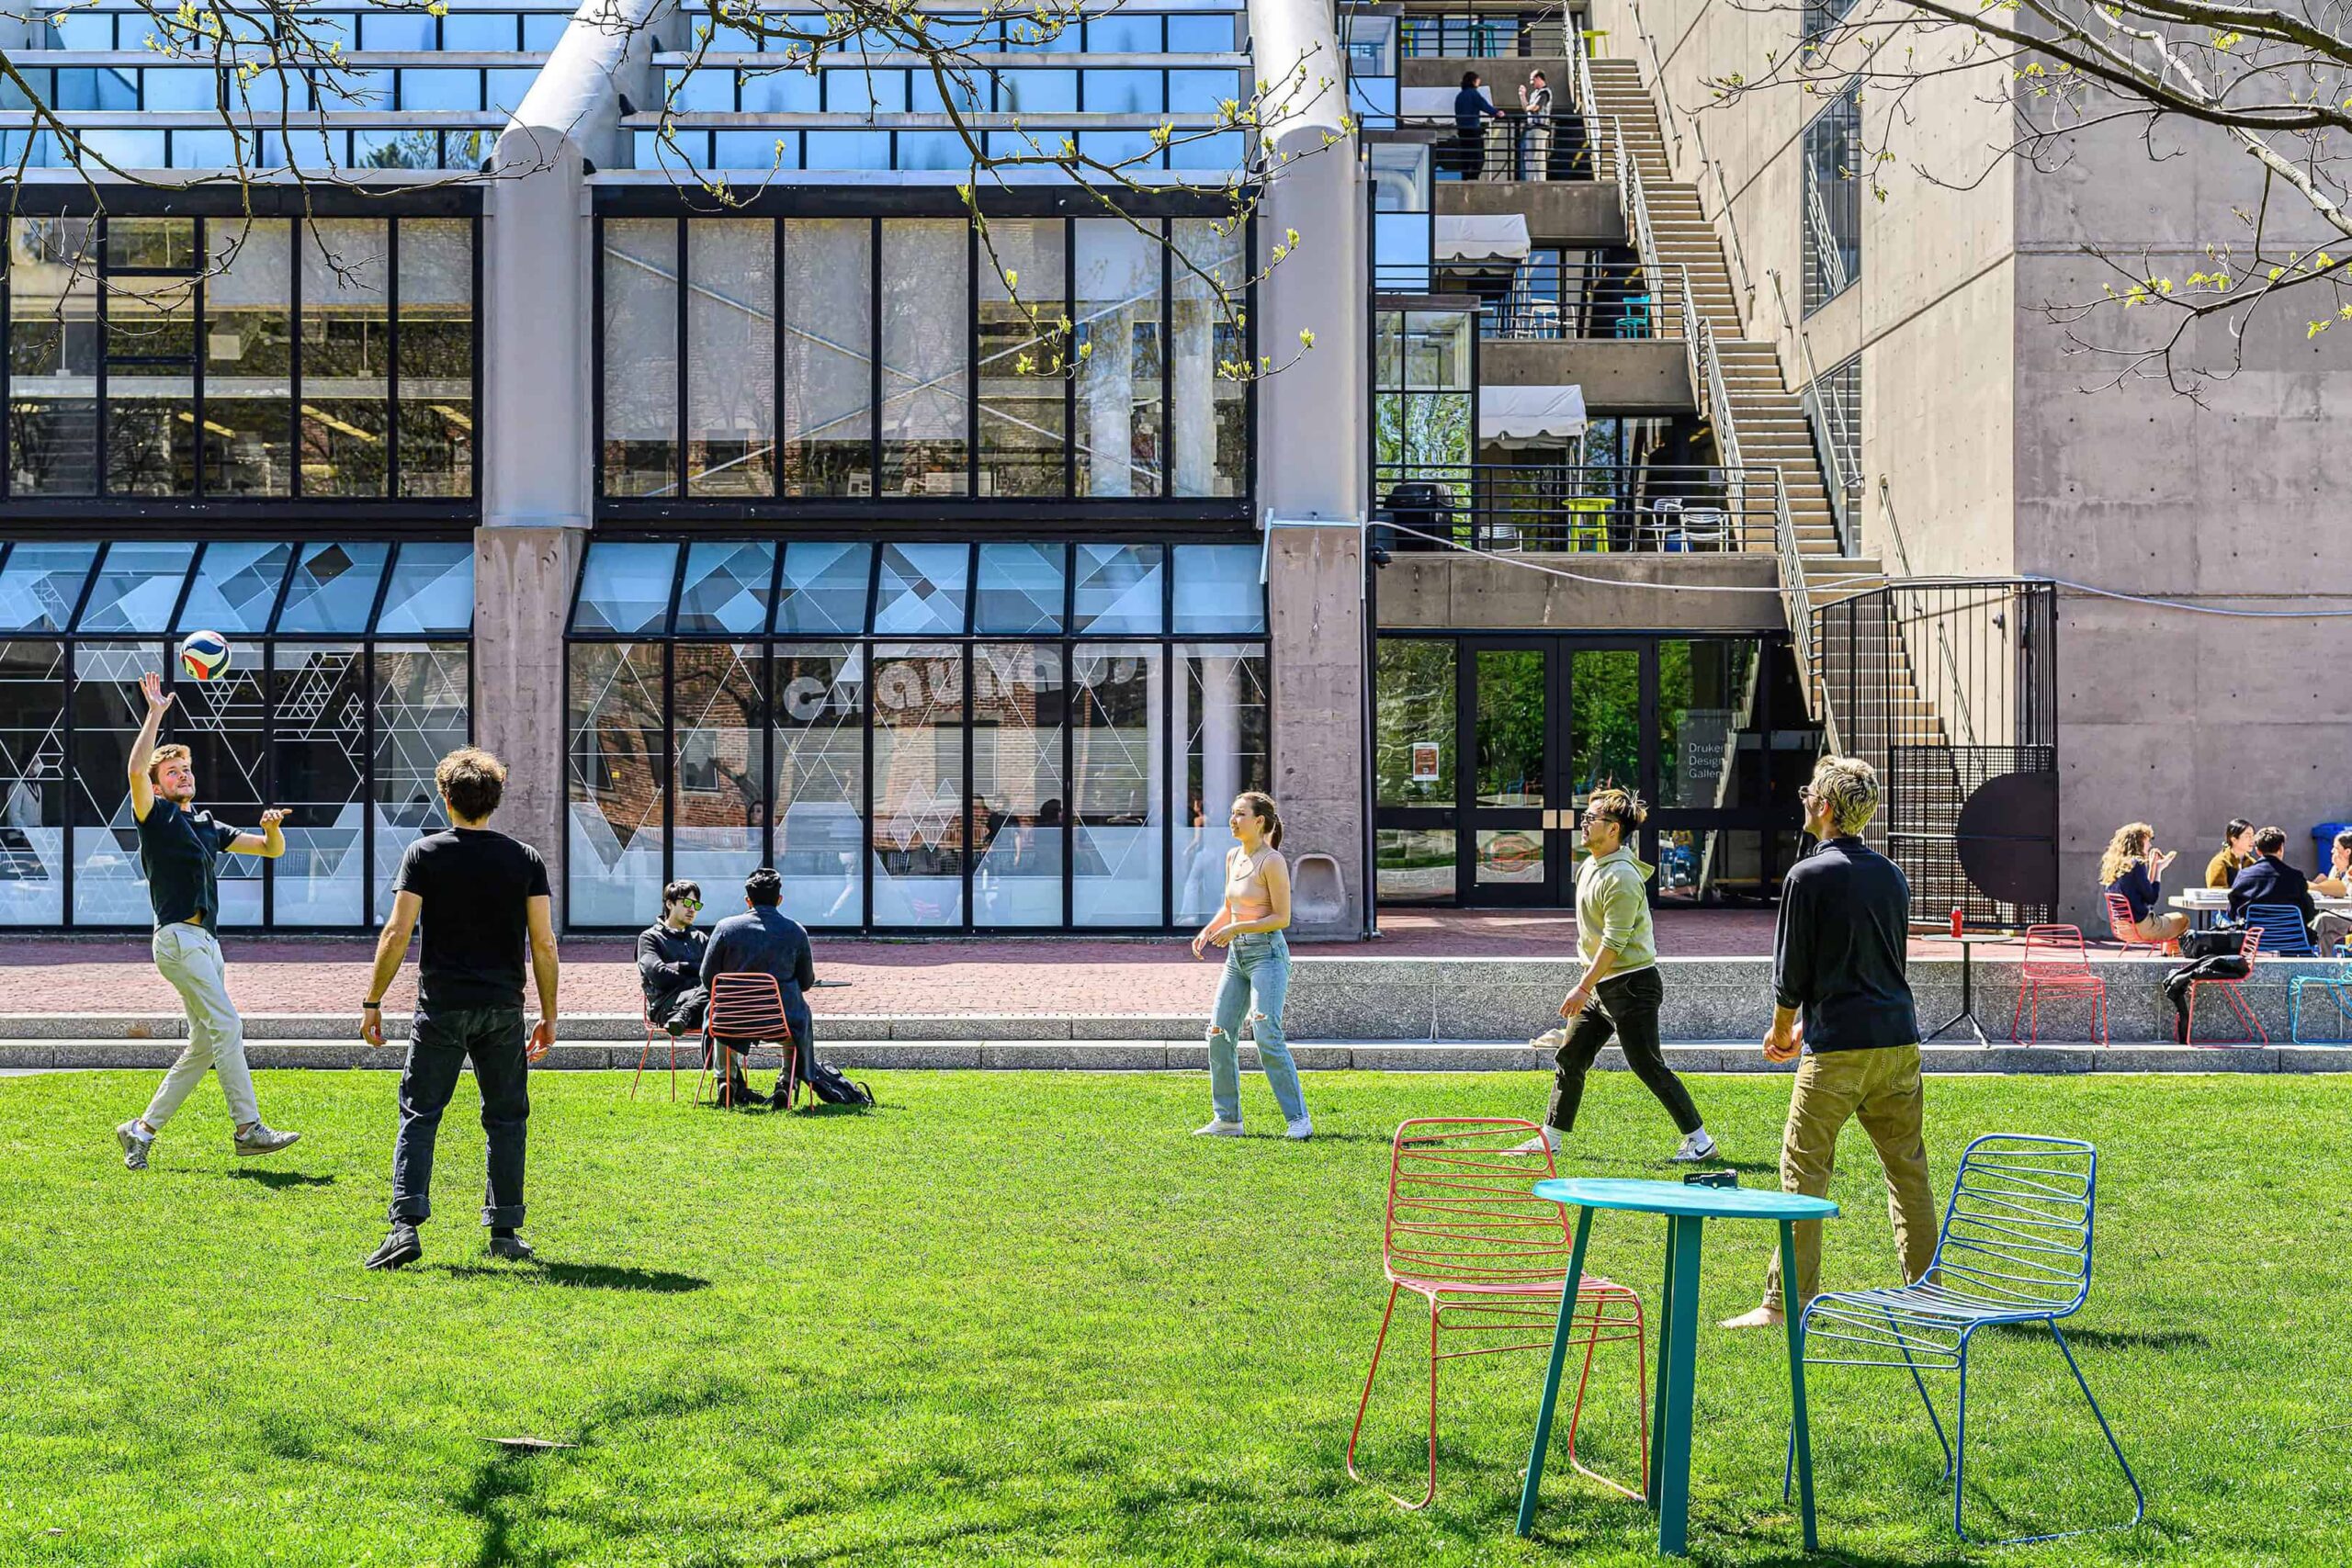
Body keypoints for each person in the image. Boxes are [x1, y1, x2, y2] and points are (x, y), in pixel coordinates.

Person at [1723, 756, 1939, 1332]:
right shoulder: (1892, 875)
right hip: (1898, 1040)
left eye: (1807, 794)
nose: (1803, 801)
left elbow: (1792, 969)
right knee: (1907, 1168)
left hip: (1838, 1045)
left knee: (1804, 1169)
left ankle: (1781, 1303)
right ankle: (1926, 1292)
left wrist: (1782, 1028)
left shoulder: (1806, 876)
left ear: (1823, 806)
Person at [359, 748, 559, 1270]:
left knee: (420, 1114)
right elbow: (544, 944)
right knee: (507, 1118)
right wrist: (550, 1014)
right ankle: (506, 1230)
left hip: (441, 1005)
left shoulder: (425, 854)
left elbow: (397, 932)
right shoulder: (525, 859)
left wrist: (373, 1000)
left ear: (446, 797)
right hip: (502, 1007)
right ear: (495, 799)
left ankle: (404, 1226)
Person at [113, 671, 301, 1172]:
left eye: (186, 769)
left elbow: (268, 852)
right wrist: (154, 713)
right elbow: (135, 771)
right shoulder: (154, 816)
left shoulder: (204, 823)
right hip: (176, 939)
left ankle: (141, 1129)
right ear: (157, 786)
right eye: (172, 772)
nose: (183, 776)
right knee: (227, 1024)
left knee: (202, 1043)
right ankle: (248, 1128)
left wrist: (272, 828)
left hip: (207, 942)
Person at [1514, 787, 1715, 1162]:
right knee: (1570, 1058)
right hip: (1601, 988)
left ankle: (1700, 1141)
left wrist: (1581, 987)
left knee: (1647, 1065)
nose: (1584, 824)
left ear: (1614, 830)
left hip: (1632, 986)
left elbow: (1614, 943)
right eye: (1585, 817)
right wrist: (1589, 988)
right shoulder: (1591, 865)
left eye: (1592, 819)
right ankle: (1550, 1138)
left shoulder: (1621, 877)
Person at [1191, 791, 1312, 1141]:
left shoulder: (1271, 861)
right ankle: (1228, 1120)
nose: (1233, 820)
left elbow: (1281, 918)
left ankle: (1298, 1120)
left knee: (1266, 1031)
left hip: (1267, 956)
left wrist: (1236, 929)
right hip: (1236, 958)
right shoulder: (1233, 857)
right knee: (1218, 1033)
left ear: (1259, 821)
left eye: (1240, 814)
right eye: (1232, 813)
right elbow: (1229, 906)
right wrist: (1209, 930)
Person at [699, 865, 816, 1107]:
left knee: (720, 1009)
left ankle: (726, 1082)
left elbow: (707, 977)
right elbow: (805, 982)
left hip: (733, 1019)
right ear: (780, 899)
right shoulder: (796, 932)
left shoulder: (725, 928)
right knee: (800, 1018)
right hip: (780, 1021)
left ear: (748, 900)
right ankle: (786, 1082)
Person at [638, 879, 710, 1038]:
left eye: (696, 905)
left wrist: (681, 967)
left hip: (699, 1006)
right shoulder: (650, 938)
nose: (692, 909)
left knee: (723, 1000)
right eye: (687, 903)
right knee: (714, 996)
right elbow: (659, 975)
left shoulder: (700, 938)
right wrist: (697, 978)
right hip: (668, 1007)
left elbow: (713, 972)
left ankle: (720, 1064)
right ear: (669, 904)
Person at [2100, 822, 2188, 946]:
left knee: (2169, 919)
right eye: (2147, 841)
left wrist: (2153, 867)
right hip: (2142, 927)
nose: (2150, 845)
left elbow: (2142, 892)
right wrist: (2158, 870)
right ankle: (2171, 951)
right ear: (2139, 842)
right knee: (2183, 919)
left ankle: (2169, 951)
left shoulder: (2115, 866)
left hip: (2122, 927)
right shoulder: (2137, 864)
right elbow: (2151, 898)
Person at [2227, 825, 2318, 944]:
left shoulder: (2244, 876)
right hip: (2293, 941)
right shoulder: (2295, 877)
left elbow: (2232, 912)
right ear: (2281, 848)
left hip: (2253, 943)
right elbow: (2309, 913)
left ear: (2258, 851)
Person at [1453, 71, 1501, 180]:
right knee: (1478, 157)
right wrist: (1496, 112)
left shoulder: (1460, 96)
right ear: (1473, 81)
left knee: (1466, 156)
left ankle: (1465, 177)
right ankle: (1473, 177)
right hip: (1473, 130)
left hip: (1462, 130)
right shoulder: (1473, 94)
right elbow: (1483, 105)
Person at [2312, 829, 2352, 952]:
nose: (2332, 851)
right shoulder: (2336, 870)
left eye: (2335, 848)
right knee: (2326, 937)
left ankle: (2302, 950)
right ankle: (2326, 968)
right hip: (2339, 914)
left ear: (2347, 852)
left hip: (2349, 918)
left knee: (2323, 920)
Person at [1519, 70, 1554, 180]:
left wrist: (1529, 107)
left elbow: (1535, 108)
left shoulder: (1545, 92)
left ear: (1539, 78)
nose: (1531, 83)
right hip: (1531, 127)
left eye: (1532, 80)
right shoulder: (1534, 93)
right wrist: (1522, 96)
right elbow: (1527, 108)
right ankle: (1530, 181)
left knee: (1538, 157)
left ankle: (1539, 181)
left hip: (1540, 128)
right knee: (1529, 157)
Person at [2205, 818, 2256, 889]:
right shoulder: (2220, 862)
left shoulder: (2252, 863)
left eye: (2253, 835)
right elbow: (2217, 891)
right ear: (2234, 839)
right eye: (2247, 836)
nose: (2252, 840)